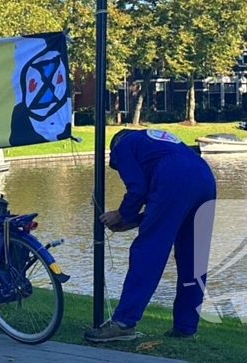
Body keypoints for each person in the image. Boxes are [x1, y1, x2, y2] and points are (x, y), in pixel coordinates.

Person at [84, 128, 217, 343]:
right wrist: (133, 220)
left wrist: (121, 214)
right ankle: (186, 327)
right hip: (205, 178)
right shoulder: (155, 142)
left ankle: (123, 323)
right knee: (193, 260)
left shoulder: (122, 146)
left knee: (147, 253)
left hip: (173, 178)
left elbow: (137, 188)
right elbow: (164, 201)